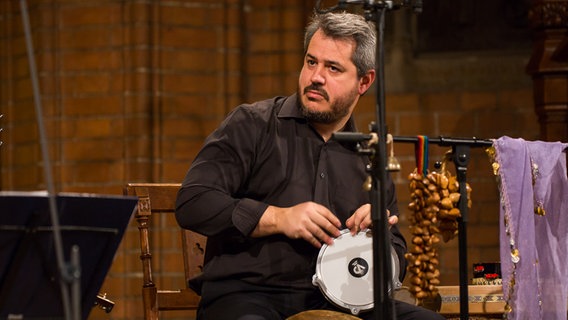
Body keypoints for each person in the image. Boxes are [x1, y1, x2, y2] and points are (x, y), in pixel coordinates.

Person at [175, 11, 445, 320]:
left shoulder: (369, 150)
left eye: (333, 68)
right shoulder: (252, 124)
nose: (316, 76)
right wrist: (277, 217)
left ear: (364, 81)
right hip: (248, 296)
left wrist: (379, 237)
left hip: (342, 305)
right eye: (311, 62)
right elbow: (193, 201)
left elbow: (397, 253)